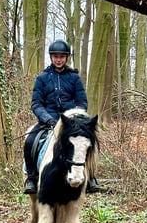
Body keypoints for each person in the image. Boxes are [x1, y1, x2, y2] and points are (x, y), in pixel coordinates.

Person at [23, 39, 100, 194]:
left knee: (89, 141)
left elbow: (81, 102)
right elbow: (36, 104)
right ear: (51, 57)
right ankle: (31, 177)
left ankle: (91, 176)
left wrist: (75, 118)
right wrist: (48, 119)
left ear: (66, 58)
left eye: (62, 56)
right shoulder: (42, 78)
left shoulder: (74, 78)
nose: (58, 59)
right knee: (30, 140)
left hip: (71, 123)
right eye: (55, 56)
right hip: (48, 121)